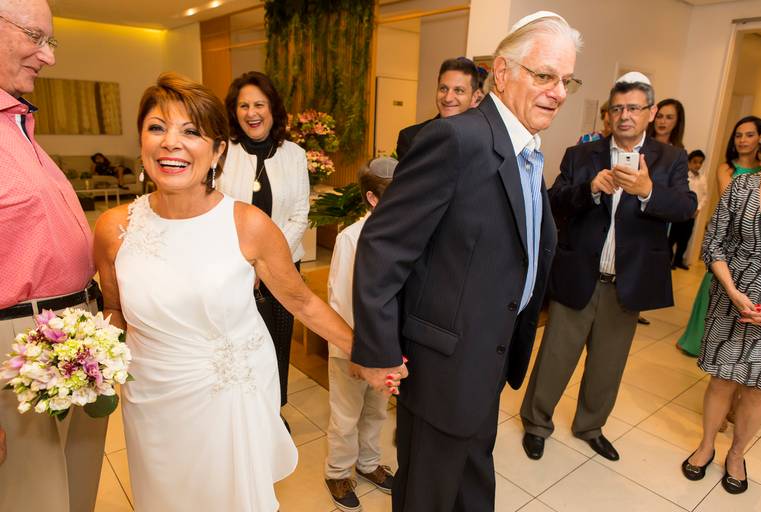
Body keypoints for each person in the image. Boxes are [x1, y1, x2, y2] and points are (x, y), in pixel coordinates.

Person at [92, 73, 406, 512]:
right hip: (151, 397)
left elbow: (302, 301)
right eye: (157, 127)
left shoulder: (248, 224)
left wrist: (368, 353)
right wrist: (86, 360)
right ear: (141, 139)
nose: (170, 143)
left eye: (191, 131)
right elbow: (113, 308)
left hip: (229, 397)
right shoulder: (113, 228)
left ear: (219, 150)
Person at [352, 12, 582, 511]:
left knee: (471, 485)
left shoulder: (527, 149)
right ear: (502, 72)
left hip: (487, 357)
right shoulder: (457, 139)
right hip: (442, 368)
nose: (559, 92)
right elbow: (384, 244)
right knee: (428, 495)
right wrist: (378, 349)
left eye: (567, 80)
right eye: (545, 76)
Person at [520, 72, 696, 462]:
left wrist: (648, 191)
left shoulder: (670, 159)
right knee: (555, 358)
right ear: (608, 114)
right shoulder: (582, 154)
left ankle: (590, 426)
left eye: (633, 108)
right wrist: (590, 189)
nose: (624, 116)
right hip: (578, 274)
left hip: (626, 283)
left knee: (608, 364)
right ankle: (536, 423)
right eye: (617, 109)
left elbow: (686, 208)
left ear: (651, 112)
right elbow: (553, 202)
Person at [0, 1, 107, 510]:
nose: (49, 57)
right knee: (32, 496)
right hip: (18, 344)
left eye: (51, 41)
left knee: (76, 489)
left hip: (74, 336)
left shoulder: (17, 123)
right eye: (35, 37)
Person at [218, 71, 310, 428]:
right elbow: (216, 211)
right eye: (243, 106)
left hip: (283, 268)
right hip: (233, 267)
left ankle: (273, 411)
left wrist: (267, 261)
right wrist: (246, 263)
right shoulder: (224, 151)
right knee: (239, 343)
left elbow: (299, 215)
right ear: (234, 111)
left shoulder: (294, 154)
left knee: (278, 341)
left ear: (273, 109)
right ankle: (243, 413)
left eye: (259, 104)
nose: (251, 112)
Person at [682, 163, 761, 496]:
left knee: (760, 389)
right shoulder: (741, 186)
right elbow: (713, 243)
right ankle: (706, 445)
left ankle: (736, 455)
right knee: (722, 380)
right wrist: (732, 290)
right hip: (730, 294)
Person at [324, 157, 398, 512]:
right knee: (346, 415)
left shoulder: (403, 235)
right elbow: (340, 299)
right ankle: (337, 472)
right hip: (352, 348)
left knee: (376, 412)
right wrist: (355, 352)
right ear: (372, 198)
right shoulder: (351, 238)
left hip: (387, 348)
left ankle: (369, 463)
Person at [675, 117, 761, 358]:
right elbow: (732, 202)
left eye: (749, 135)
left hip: (755, 244)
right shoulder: (727, 169)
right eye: (738, 135)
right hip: (728, 239)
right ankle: (698, 340)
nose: (742, 140)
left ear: (760, 138)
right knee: (714, 289)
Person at [395, 56, 481, 160]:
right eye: (443, 89)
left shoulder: (483, 139)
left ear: (474, 97)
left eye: (459, 90)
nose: (448, 98)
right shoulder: (411, 138)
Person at [669, 150, 707, 270]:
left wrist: (698, 209)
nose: (698, 165)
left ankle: (678, 260)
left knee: (685, 238)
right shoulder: (683, 176)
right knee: (673, 237)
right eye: (695, 162)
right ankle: (668, 260)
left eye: (700, 162)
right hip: (680, 212)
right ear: (689, 162)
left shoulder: (702, 178)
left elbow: (704, 195)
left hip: (692, 214)